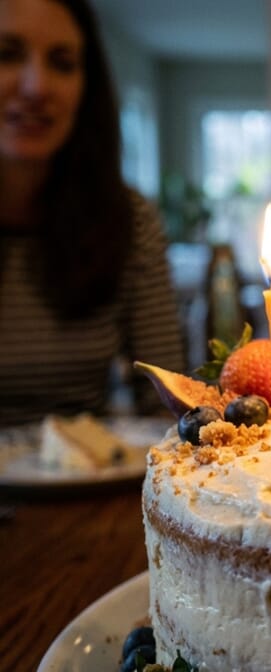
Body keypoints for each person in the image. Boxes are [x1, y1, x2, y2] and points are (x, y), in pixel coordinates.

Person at [0, 0, 184, 427]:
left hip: (87, 483)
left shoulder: (131, 221)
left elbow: (165, 402)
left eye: (62, 63)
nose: (36, 86)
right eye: (7, 54)